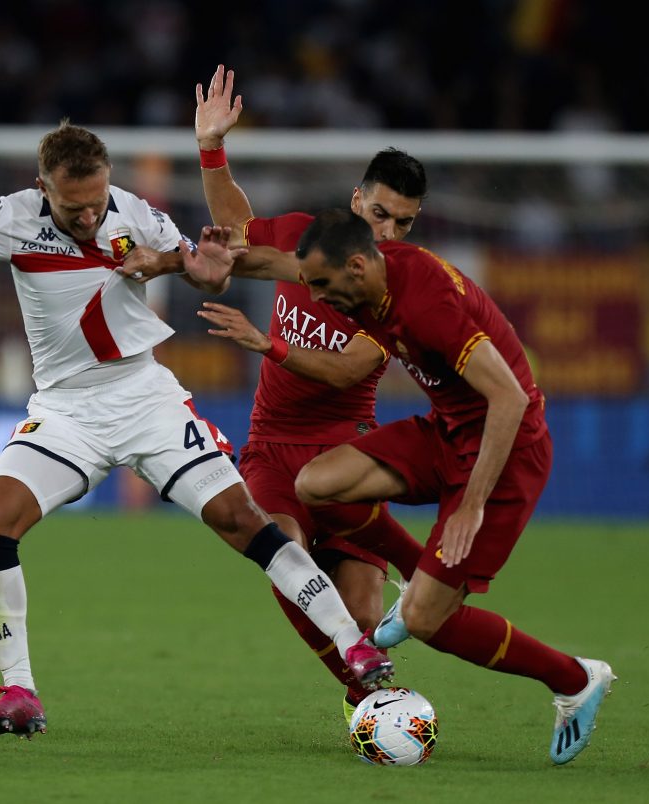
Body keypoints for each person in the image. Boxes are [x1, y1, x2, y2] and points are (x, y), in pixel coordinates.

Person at [0, 122, 393, 740]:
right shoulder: (10, 218)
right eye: (75, 206)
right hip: (68, 411)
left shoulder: (137, 214)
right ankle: (18, 690)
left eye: (99, 199)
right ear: (43, 189)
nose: (91, 214)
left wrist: (198, 263)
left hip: (145, 397)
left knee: (243, 520)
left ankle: (354, 647)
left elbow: (210, 274)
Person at [200, 209, 616, 765]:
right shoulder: (376, 269)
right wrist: (174, 254)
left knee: (427, 621)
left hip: (505, 452)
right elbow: (272, 259)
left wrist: (471, 505)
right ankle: (417, 571)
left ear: (355, 266)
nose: (318, 300)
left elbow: (511, 398)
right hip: (446, 432)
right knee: (318, 484)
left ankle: (574, 679)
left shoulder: (426, 307)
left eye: (323, 287)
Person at [193, 65, 427, 719]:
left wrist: (267, 344)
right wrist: (212, 148)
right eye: (380, 214)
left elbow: (348, 371)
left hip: (347, 452)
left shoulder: (399, 290)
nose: (388, 234)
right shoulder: (307, 239)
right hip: (273, 447)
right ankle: (372, 696)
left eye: (403, 224)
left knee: (358, 614)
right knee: (285, 557)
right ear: (357, 201)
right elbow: (237, 231)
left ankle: (398, 630)